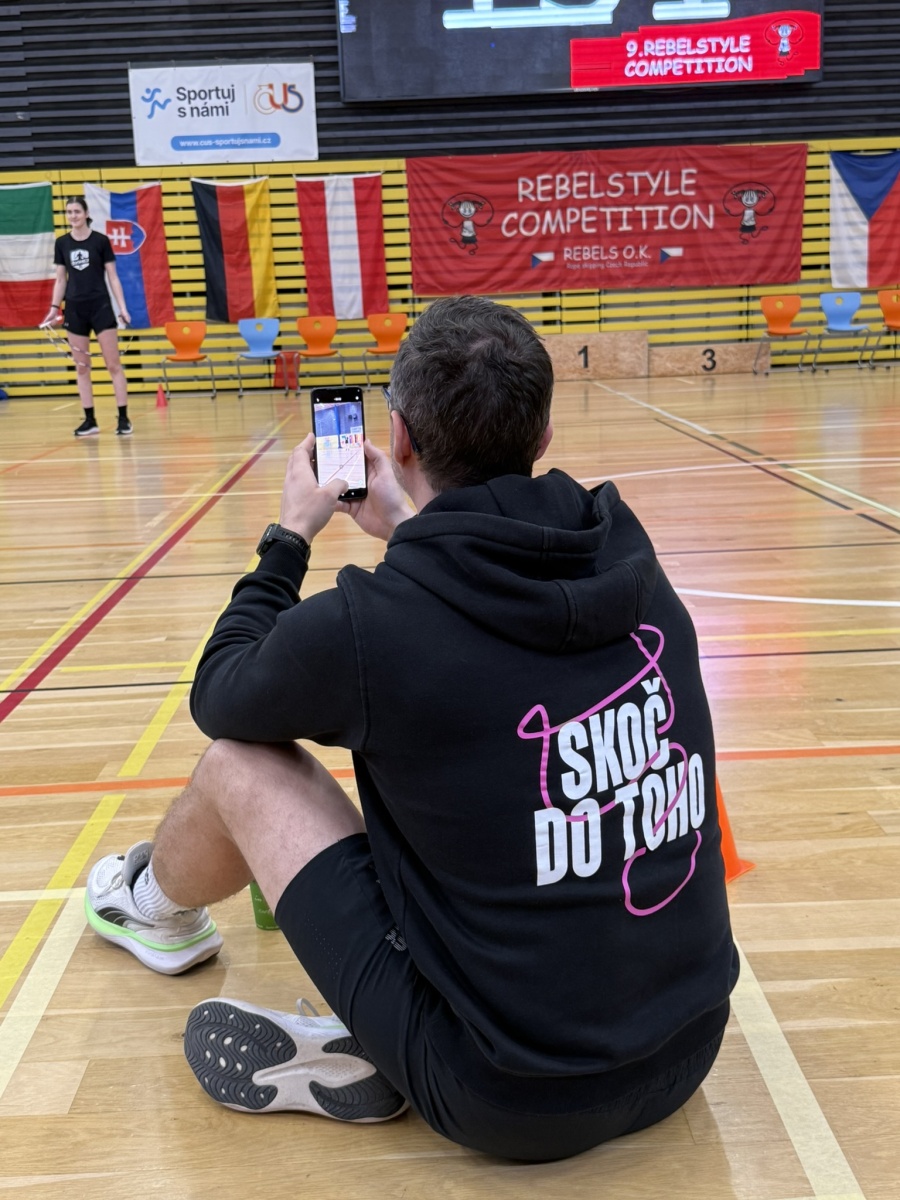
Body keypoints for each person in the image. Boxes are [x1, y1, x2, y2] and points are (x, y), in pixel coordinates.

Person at [84, 295, 738, 1161]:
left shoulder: (371, 627)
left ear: (397, 438)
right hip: (689, 1047)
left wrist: (289, 536)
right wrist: (409, 526)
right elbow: (494, 613)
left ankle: (155, 912)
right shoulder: (626, 551)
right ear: (544, 434)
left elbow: (223, 693)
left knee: (239, 763)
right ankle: (388, 1029)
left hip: (507, 1098)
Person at [43, 195, 133, 437]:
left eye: (77, 211)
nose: (73, 216)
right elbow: (60, 280)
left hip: (100, 307)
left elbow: (113, 277)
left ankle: (124, 418)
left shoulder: (100, 241)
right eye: (69, 212)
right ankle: (90, 420)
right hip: (75, 310)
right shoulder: (62, 243)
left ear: (86, 213)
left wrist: (123, 308)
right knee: (82, 368)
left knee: (113, 365)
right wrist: (54, 307)